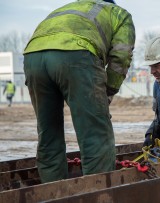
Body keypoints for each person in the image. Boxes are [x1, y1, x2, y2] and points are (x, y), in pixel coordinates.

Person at [23, 0, 135, 183]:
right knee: (95, 134)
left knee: (48, 132)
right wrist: (108, 92)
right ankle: (96, 192)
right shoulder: (119, 14)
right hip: (76, 53)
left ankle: (54, 191)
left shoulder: (69, 8)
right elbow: (121, 57)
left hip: (33, 57)